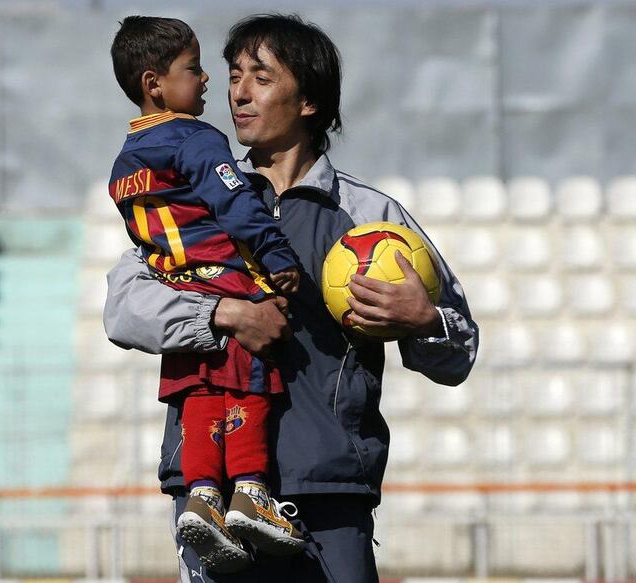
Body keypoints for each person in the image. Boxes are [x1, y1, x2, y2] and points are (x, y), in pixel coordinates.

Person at [104, 13, 479, 583]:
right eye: (232, 75)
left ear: (308, 100)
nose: (237, 92)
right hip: (212, 503)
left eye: (261, 76)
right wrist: (223, 313)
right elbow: (123, 308)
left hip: (328, 493)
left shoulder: (371, 219)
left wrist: (422, 320)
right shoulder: (193, 198)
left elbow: (459, 353)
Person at [108, 16, 307, 573]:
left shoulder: (125, 166)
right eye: (193, 70)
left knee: (198, 400)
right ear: (155, 84)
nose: (205, 83)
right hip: (226, 281)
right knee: (248, 388)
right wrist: (277, 258)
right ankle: (249, 492)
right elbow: (233, 204)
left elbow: (145, 244)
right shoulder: (196, 140)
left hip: (179, 293)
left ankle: (201, 497)